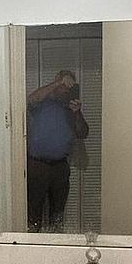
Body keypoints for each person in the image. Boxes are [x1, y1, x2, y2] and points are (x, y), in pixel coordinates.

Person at [26, 70, 89, 232]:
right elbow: (31, 99)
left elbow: (83, 133)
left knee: (57, 214)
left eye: (70, 86)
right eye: (64, 85)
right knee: (33, 211)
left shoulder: (71, 108)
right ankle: (33, 240)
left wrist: (77, 113)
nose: (66, 89)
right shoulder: (42, 102)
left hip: (60, 167)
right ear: (57, 82)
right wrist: (58, 83)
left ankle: (55, 239)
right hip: (37, 166)